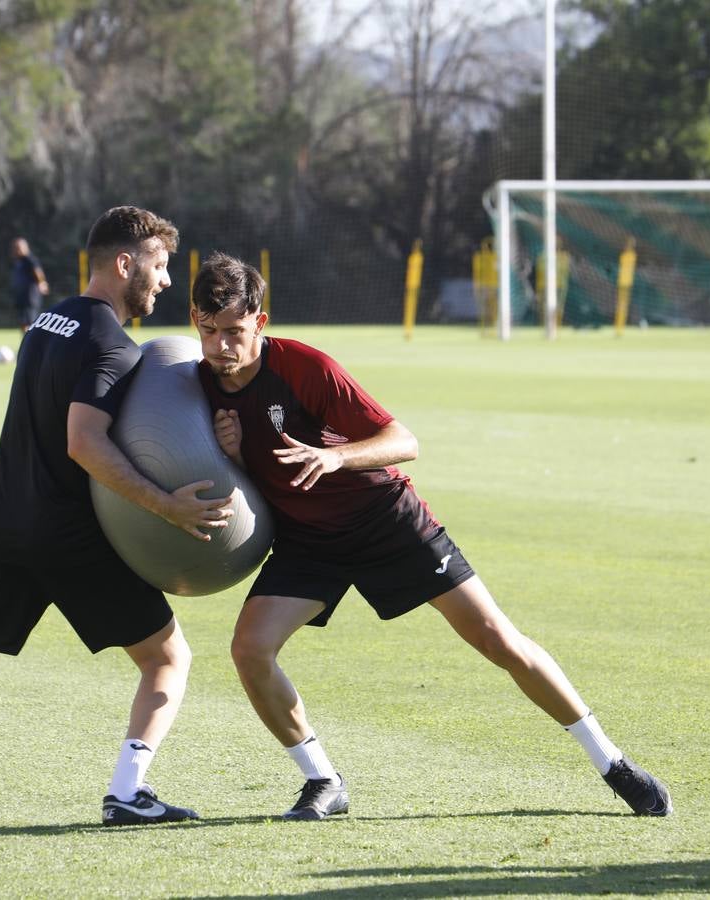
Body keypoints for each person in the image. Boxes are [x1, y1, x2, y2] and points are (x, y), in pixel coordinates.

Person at [189, 252, 672, 821]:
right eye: (209, 330)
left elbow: (403, 440)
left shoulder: (307, 368)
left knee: (496, 638)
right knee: (250, 648)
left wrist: (334, 456)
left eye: (235, 333)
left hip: (386, 520)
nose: (221, 347)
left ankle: (612, 762)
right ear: (195, 318)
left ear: (260, 323)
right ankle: (323, 780)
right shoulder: (198, 384)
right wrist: (233, 455)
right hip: (308, 539)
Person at [0, 207, 234, 826]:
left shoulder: (46, 322)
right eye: (159, 267)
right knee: (167, 658)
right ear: (124, 263)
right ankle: (128, 792)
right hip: (68, 535)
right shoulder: (111, 343)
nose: (164, 282)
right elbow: (85, 443)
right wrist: (164, 505)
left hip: (4, 522)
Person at [11, 237, 51, 332]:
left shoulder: (29, 259)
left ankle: (31, 344)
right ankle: (26, 343)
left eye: (19, 247)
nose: (17, 250)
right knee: (23, 322)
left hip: (30, 297)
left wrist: (42, 283)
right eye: (16, 247)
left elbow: (37, 271)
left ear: (26, 247)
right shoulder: (19, 261)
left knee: (30, 322)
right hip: (21, 296)